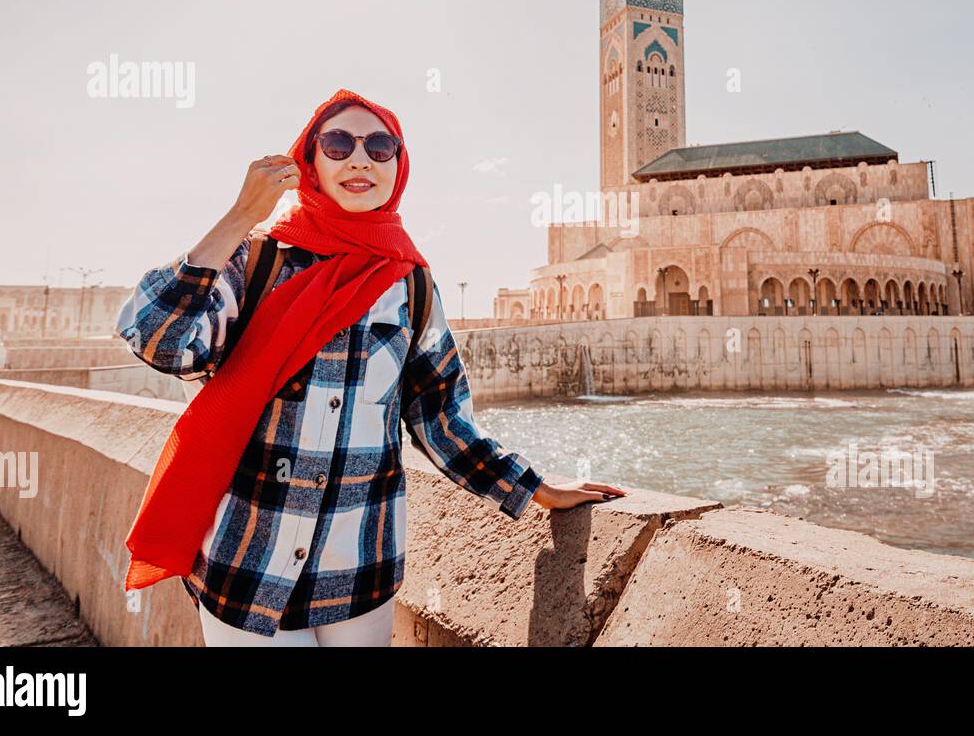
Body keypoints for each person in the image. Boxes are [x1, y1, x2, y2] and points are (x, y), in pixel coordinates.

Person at [116, 88, 624, 647]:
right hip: (248, 564)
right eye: (337, 143)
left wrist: (536, 489)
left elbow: (441, 421)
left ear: (398, 166)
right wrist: (240, 217)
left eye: (380, 146)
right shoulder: (256, 260)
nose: (360, 159)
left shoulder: (410, 285)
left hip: (360, 570)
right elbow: (157, 339)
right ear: (309, 161)